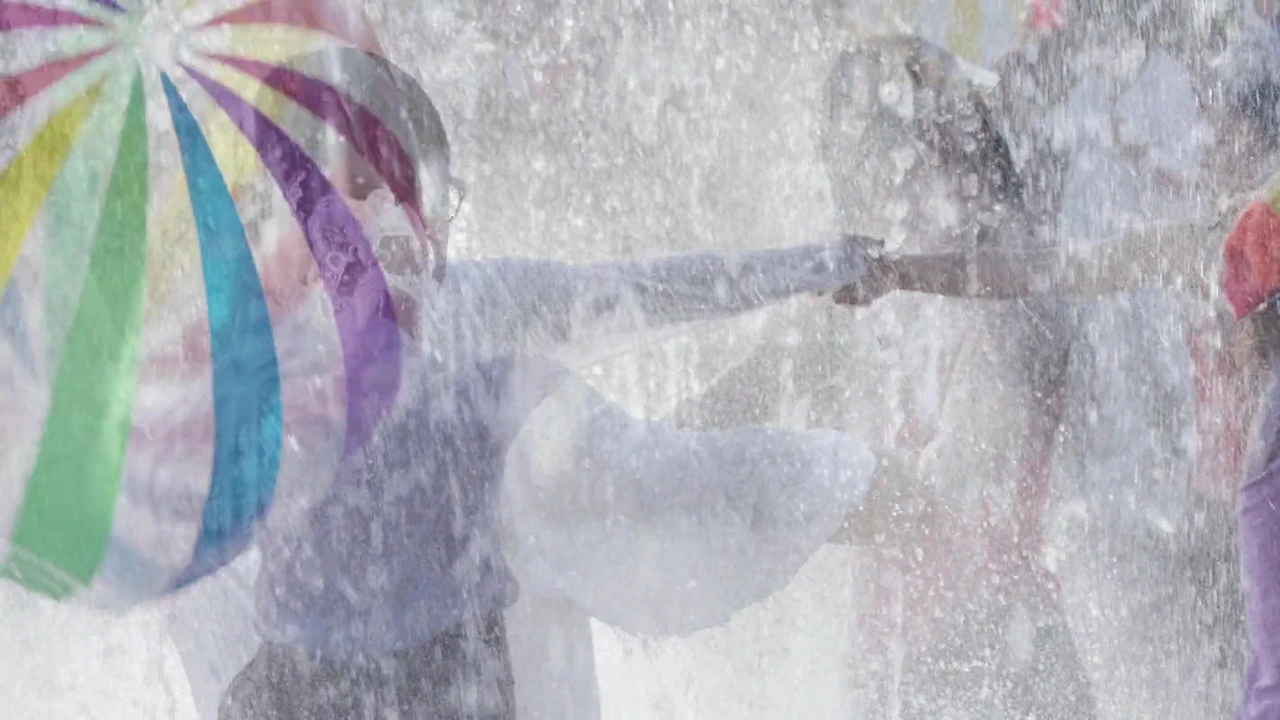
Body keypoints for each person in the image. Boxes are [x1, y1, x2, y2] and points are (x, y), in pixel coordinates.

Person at [132, 46, 884, 720]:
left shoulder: (468, 308)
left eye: (416, 196)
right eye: (355, 185)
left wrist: (817, 267)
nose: (392, 219)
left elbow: (642, 290)